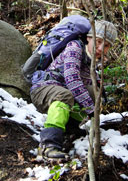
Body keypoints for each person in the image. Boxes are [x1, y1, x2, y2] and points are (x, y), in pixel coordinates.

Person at [30, 20, 117, 160]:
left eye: (106, 45)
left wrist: (93, 106)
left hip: (65, 94)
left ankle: (70, 130)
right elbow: (72, 80)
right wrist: (91, 111)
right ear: (89, 38)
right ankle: (48, 145)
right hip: (43, 88)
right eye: (98, 41)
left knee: (94, 92)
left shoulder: (94, 61)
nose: (101, 48)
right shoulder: (74, 47)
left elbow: (87, 88)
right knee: (64, 95)